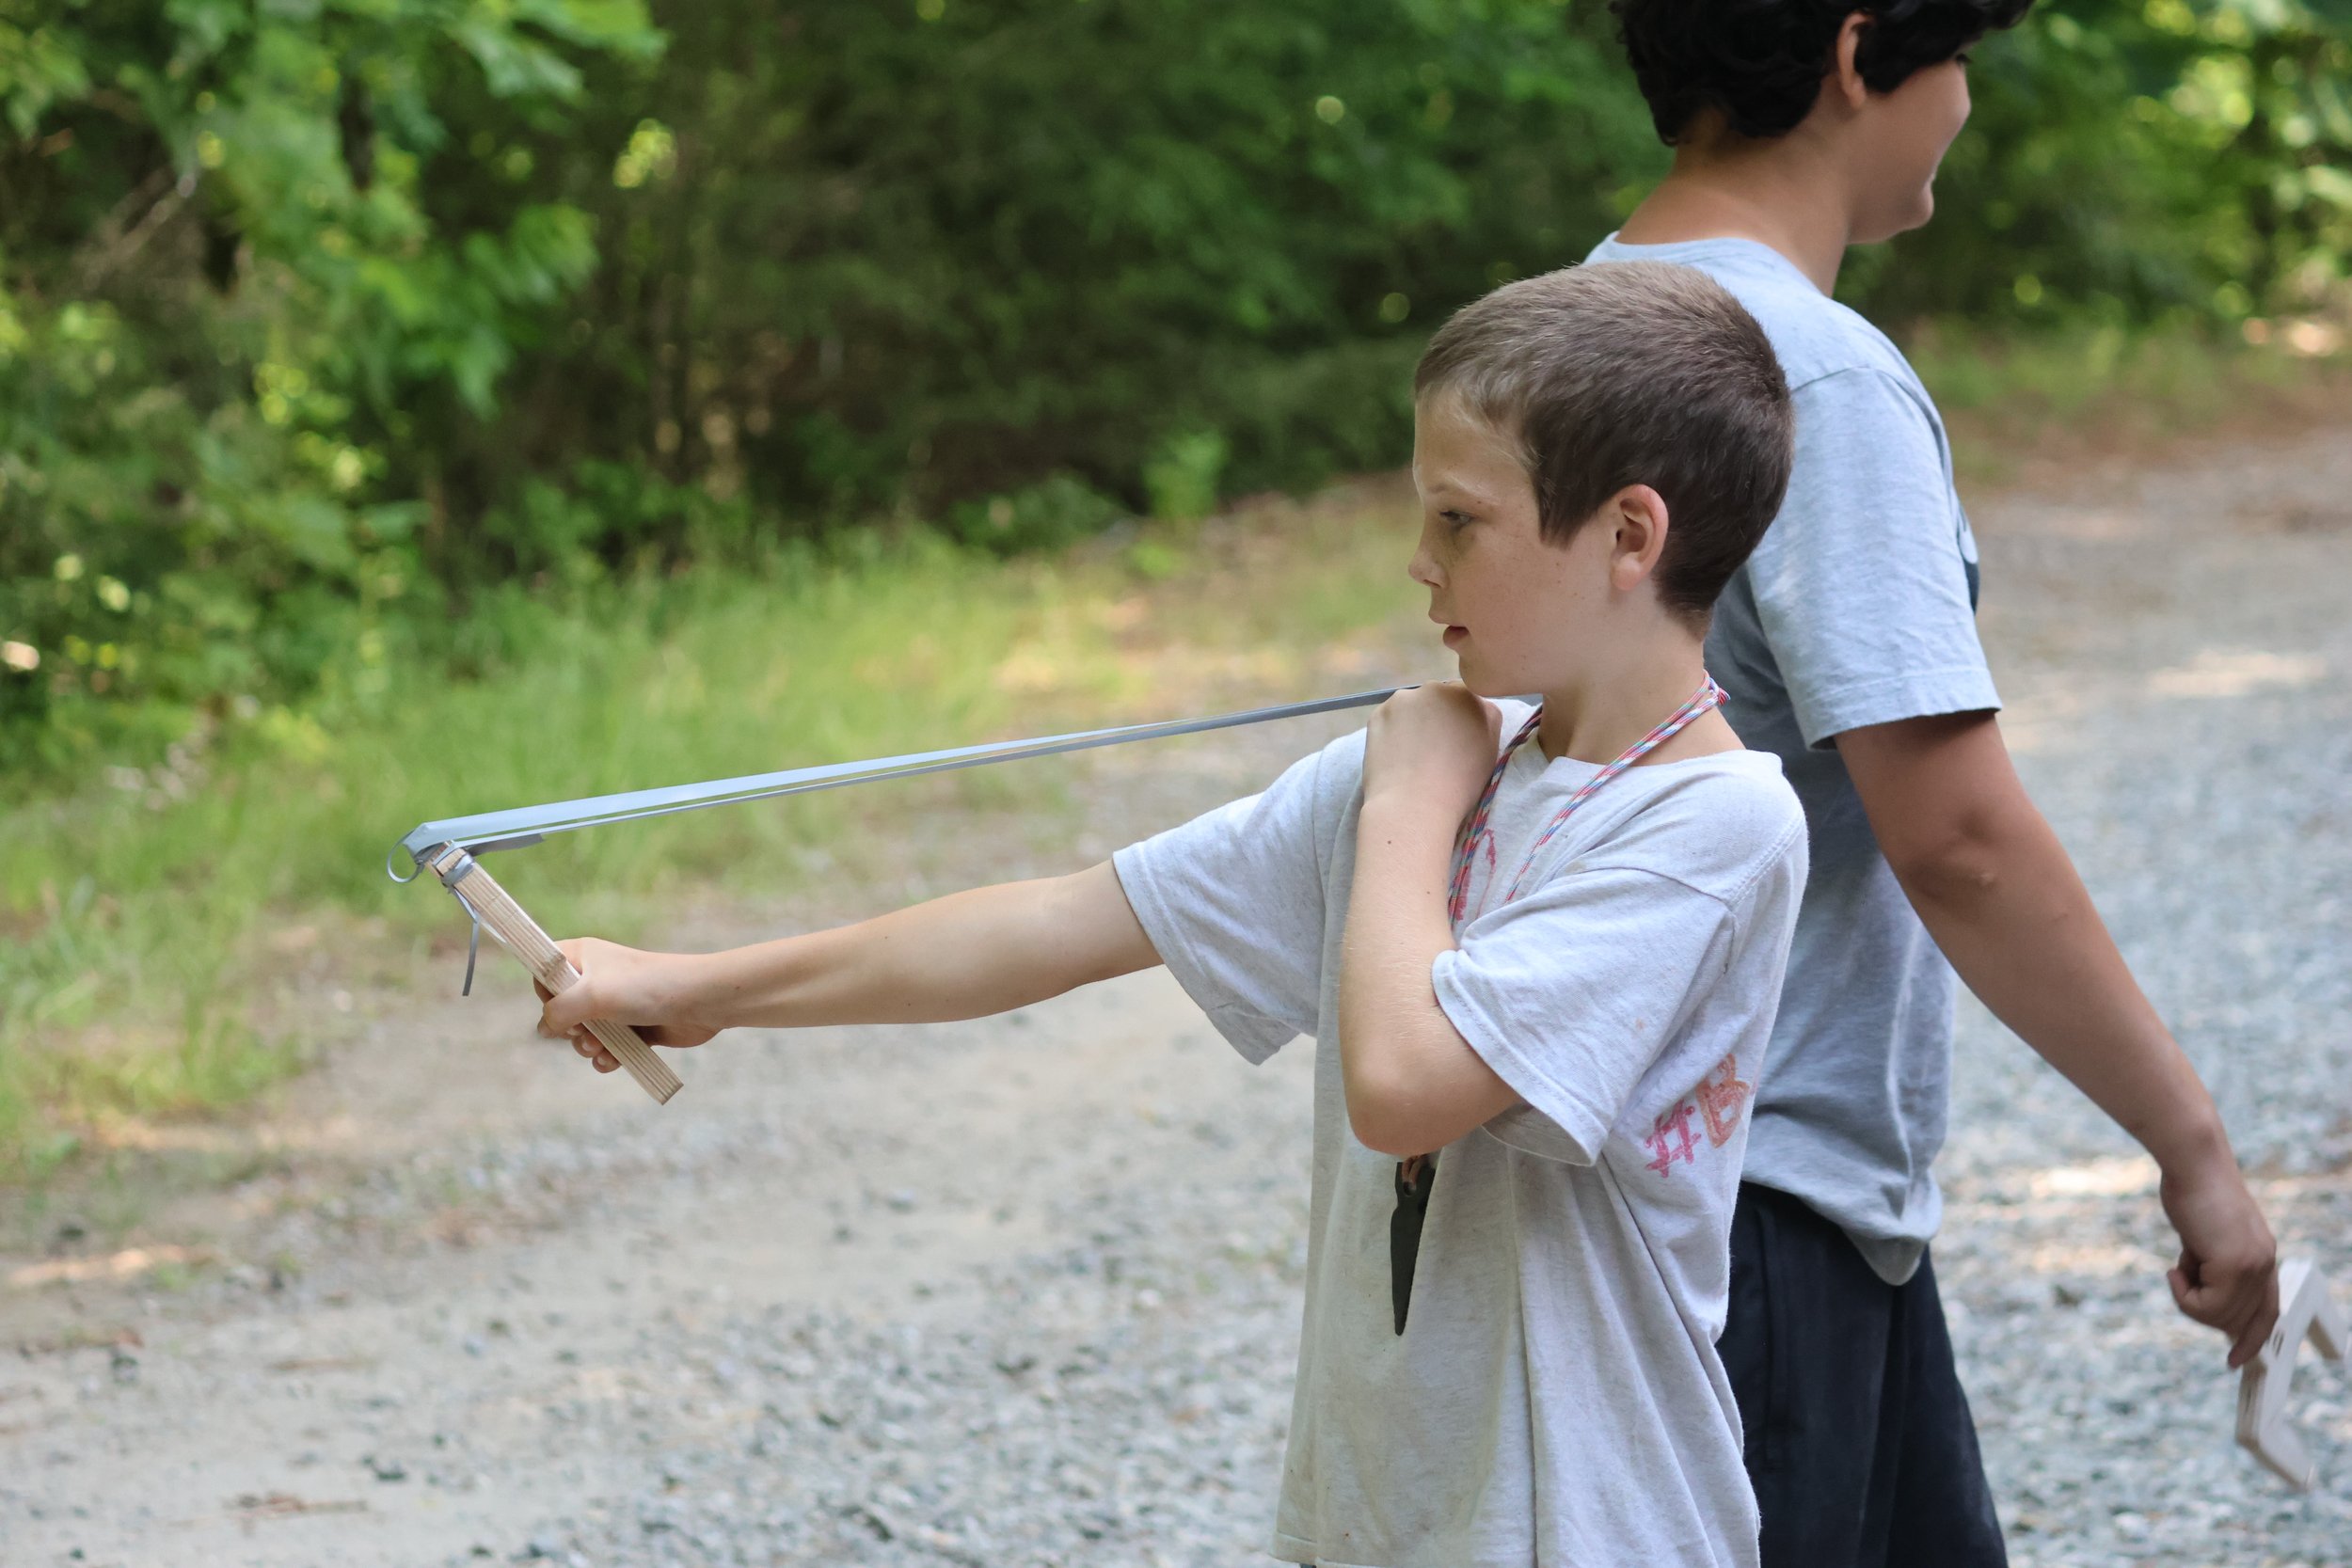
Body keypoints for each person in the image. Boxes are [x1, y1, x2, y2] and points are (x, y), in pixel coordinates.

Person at [536, 262, 1811, 1567]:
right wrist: (694, 987)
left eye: (1458, 520)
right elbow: (1055, 924)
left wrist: (1406, 813)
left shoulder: (1710, 828)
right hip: (1382, 1520)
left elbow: (1406, 1088)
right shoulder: (1438, 766)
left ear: (1628, 536)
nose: (1418, 565)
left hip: (1593, 1529)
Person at [1586, 4, 2281, 1563]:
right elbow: (1956, 836)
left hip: (1648, 1180)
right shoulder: (1813, 381)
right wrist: (2197, 1155)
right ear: (1855, 57)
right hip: (1763, 1217)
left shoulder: (1568, 317)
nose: (1964, 99)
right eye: (1958, 55)